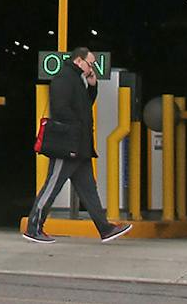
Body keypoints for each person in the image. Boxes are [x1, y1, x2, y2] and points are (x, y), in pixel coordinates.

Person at [24, 47, 132, 243]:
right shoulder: (64, 79)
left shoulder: (77, 80)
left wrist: (92, 86)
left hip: (79, 146)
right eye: (90, 64)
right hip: (67, 145)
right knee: (52, 185)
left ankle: (105, 228)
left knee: (89, 190)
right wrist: (77, 128)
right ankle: (34, 227)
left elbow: (84, 106)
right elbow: (60, 108)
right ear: (78, 61)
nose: (92, 68)